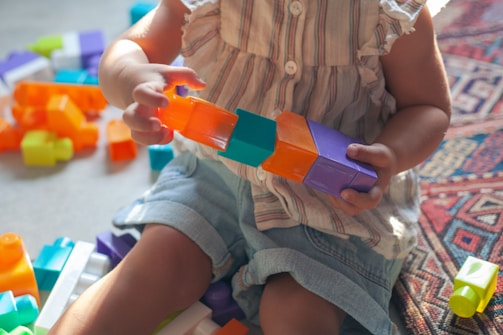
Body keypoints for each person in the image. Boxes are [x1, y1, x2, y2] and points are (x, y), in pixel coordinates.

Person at [48, 0, 451, 334]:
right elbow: (130, 49)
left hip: (331, 200)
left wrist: (391, 154)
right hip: (217, 175)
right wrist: (132, 76)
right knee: (153, 268)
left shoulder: (388, 14)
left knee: (295, 312)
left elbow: (428, 107)